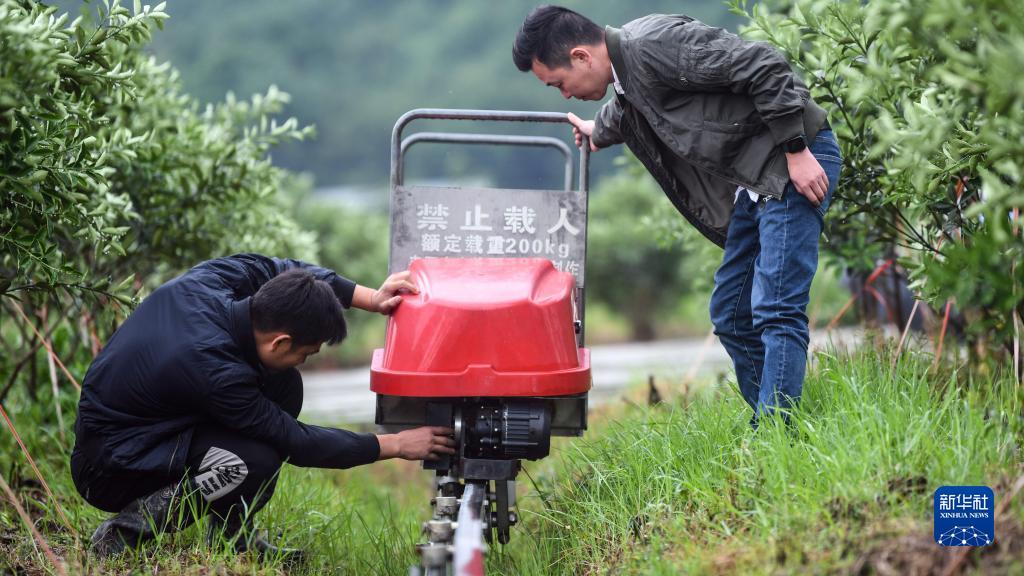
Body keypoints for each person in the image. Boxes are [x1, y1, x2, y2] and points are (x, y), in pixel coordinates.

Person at [513, 6, 842, 426]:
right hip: (756, 177)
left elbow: (763, 64)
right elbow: (633, 104)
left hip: (792, 160)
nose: (564, 94)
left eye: (559, 84)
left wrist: (796, 150)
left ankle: (776, 434)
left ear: (581, 57)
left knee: (776, 307)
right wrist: (600, 131)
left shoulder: (652, 44)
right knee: (732, 314)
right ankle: (785, 427)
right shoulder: (628, 73)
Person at [71, 253, 456, 559]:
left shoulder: (215, 280)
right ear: (280, 343)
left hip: (151, 427)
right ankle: (126, 533)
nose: (306, 361)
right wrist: (396, 445)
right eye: (306, 353)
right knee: (255, 459)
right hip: (108, 466)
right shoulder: (214, 368)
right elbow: (296, 442)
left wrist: (370, 297)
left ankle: (231, 538)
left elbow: (283, 270)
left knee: (283, 387)